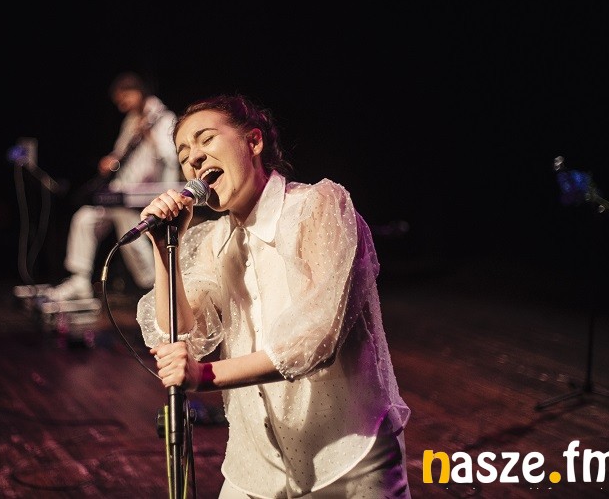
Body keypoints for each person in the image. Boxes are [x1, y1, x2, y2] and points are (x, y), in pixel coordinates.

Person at [135, 94, 411, 498]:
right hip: (255, 466)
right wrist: (164, 252)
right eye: (183, 153)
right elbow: (182, 335)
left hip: (347, 461)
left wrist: (204, 376)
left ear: (254, 141)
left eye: (206, 139)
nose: (193, 157)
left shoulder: (318, 207)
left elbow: (315, 341)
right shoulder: (212, 242)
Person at [44, 72, 181, 302]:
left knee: (128, 226)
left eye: (124, 98)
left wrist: (149, 134)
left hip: (152, 192)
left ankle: (154, 285)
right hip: (124, 191)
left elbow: (170, 156)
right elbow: (122, 152)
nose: (121, 105)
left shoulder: (164, 118)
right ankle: (79, 280)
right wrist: (111, 160)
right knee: (85, 218)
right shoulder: (131, 120)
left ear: (137, 92)